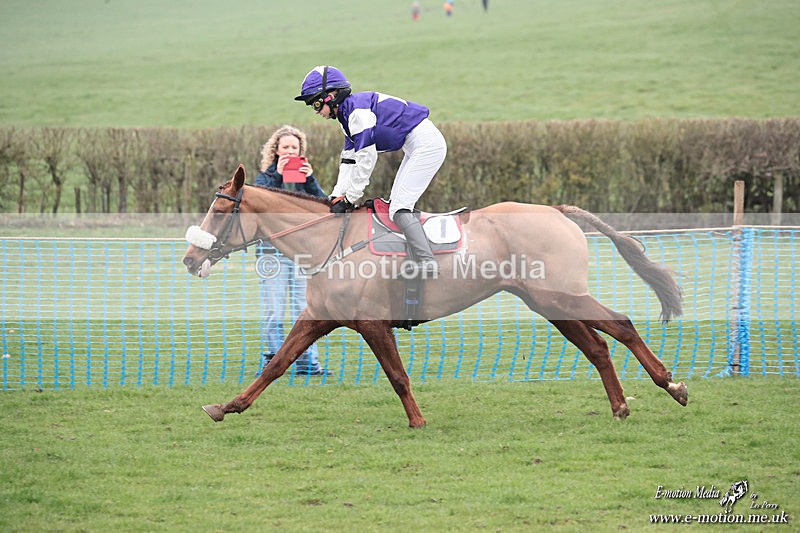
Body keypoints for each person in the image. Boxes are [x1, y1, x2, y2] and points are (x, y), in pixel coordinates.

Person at [293, 66, 447, 277]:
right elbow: (348, 160)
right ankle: (417, 256)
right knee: (397, 206)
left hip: (426, 144)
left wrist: (351, 197)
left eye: (316, 103)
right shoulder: (347, 116)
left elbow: (366, 158)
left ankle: (427, 262)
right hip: (416, 145)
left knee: (399, 207)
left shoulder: (357, 113)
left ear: (331, 96)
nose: (316, 110)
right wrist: (336, 196)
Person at [254, 125, 329, 376]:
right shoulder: (265, 178)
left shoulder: (305, 178)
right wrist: (278, 173)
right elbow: (260, 199)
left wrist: (309, 180)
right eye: (285, 147)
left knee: (303, 310)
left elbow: (324, 206)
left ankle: (307, 363)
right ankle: (274, 362)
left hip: (301, 255)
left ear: (300, 151)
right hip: (271, 254)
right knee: (274, 311)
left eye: (294, 147)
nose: (289, 151)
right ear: (275, 150)